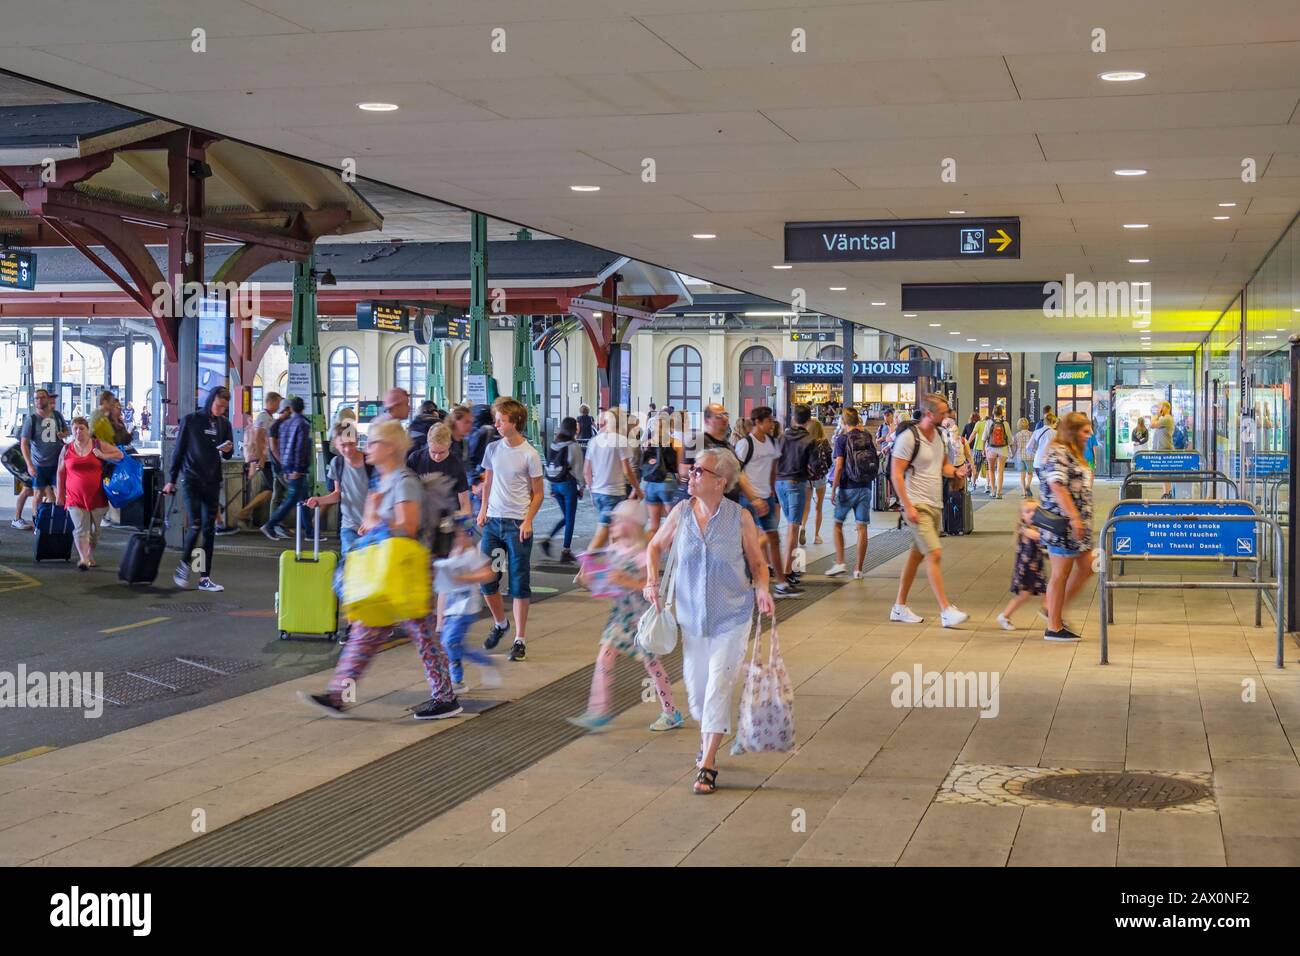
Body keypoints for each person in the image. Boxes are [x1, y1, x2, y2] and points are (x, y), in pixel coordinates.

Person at [300, 418, 462, 720]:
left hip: (407, 573)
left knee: (422, 634)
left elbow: (409, 526)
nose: (367, 447)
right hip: (388, 573)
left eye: (373, 442)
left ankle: (445, 697)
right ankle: (337, 695)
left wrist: (375, 519)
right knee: (365, 633)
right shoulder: (384, 481)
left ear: (388, 448)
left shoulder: (404, 482)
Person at [644, 448, 775, 795]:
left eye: (699, 471)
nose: (690, 474)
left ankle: (708, 764)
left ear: (720, 481)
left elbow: (757, 563)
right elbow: (654, 547)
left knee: (719, 684)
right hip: (690, 619)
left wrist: (762, 589)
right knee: (698, 692)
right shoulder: (681, 513)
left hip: (732, 615)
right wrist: (651, 582)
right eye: (692, 469)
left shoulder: (740, 517)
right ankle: (709, 737)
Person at [568, 498, 683, 733]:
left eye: (618, 521)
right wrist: (591, 579)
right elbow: (608, 582)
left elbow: (647, 585)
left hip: (640, 620)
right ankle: (598, 710)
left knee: (652, 665)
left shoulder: (642, 554)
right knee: (605, 657)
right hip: (620, 617)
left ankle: (671, 711)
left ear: (631, 524)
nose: (613, 525)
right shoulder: (614, 550)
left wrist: (624, 580)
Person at [890, 393, 970, 627]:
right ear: (929, 413)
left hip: (935, 503)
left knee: (916, 556)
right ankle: (946, 610)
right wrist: (906, 505)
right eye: (943, 412)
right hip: (917, 504)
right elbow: (896, 473)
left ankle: (899, 607)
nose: (947, 416)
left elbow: (942, 465)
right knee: (934, 553)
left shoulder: (939, 436)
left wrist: (955, 472)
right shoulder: (908, 438)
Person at [477, 396, 545, 663]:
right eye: (496, 419)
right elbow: (487, 482)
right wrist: (483, 509)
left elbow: (538, 493)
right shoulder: (493, 449)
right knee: (487, 580)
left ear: (515, 422)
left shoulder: (529, 454)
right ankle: (500, 623)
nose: (496, 424)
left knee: (519, 584)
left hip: (517, 526)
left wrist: (528, 520)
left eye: (501, 420)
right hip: (493, 523)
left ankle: (520, 639)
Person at [164, 386, 234, 592]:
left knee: (209, 530)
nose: (221, 410)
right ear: (211, 400)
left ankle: (204, 577)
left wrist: (228, 450)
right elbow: (178, 451)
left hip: (212, 481)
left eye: (224, 407)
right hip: (192, 480)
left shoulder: (224, 424)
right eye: (219, 405)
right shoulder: (191, 420)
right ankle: (184, 565)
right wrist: (172, 480)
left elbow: (227, 455)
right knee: (195, 525)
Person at [1039, 412, 1096, 642]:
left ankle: (1051, 608)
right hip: (1063, 525)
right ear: (1072, 431)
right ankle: (1053, 626)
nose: (1089, 434)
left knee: (1088, 566)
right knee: (1060, 574)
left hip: (1076, 527)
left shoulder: (1072, 452)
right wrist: (1074, 517)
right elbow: (1057, 486)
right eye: (1085, 431)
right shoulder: (1059, 453)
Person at [734, 406, 799, 598]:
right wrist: (752, 497)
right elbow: (738, 472)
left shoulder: (771, 442)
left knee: (773, 538)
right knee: (752, 541)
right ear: (758, 423)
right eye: (768, 420)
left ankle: (781, 583)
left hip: (767, 498)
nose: (772, 423)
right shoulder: (745, 444)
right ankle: (751, 581)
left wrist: (771, 492)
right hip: (749, 499)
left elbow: (773, 468)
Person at [434, 519, 502, 692]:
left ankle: (457, 680)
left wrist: (465, 579)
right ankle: (485, 662)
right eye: (457, 535)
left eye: (464, 534)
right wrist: (440, 619)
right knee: (452, 644)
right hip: (452, 607)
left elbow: (489, 574)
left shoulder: (472, 555)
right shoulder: (452, 555)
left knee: (450, 643)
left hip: (466, 608)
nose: (461, 538)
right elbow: (443, 589)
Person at [55, 416, 123, 570]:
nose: (78, 431)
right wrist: (60, 494)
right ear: (72, 431)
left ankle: (89, 554)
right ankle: (83, 558)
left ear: (88, 430)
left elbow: (120, 455)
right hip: (74, 496)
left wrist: (103, 456)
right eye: (75, 428)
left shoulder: (98, 445)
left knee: (95, 531)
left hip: (97, 496)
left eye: (81, 428)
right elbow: (60, 472)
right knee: (80, 528)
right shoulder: (66, 449)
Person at [307, 421, 372, 559]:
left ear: (357, 440)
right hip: (349, 525)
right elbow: (337, 494)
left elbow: (378, 494)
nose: (348, 449)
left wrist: (372, 520)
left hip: (371, 526)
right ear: (335, 444)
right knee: (349, 562)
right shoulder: (337, 463)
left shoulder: (370, 462)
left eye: (351, 444)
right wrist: (318, 500)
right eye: (343, 445)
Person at [828, 406, 877, 577]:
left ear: (843, 421)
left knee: (837, 524)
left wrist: (833, 489)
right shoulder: (867, 436)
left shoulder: (842, 439)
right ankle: (858, 569)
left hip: (848, 488)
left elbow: (839, 466)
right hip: (865, 487)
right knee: (862, 528)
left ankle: (841, 562)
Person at [585, 408, 641, 551]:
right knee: (601, 537)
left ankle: (612, 569)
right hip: (613, 495)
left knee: (614, 535)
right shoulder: (621, 441)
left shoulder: (594, 441)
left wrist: (592, 491)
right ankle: (583, 571)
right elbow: (627, 470)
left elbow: (587, 471)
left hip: (598, 493)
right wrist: (638, 489)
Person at [775, 404, 816, 583]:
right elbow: (814, 467)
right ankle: (787, 571)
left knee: (788, 525)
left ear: (793, 418)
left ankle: (787, 568)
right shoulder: (809, 440)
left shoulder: (782, 437)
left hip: (779, 483)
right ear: (809, 420)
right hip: (795, 482)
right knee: (793, 527)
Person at [261, 396, 311, 541]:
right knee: (290, 498)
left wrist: (287, 467)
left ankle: (309, 532)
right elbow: (299, 448)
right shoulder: (299, 424)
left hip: (287, 468)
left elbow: (283, 448)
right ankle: (271, 524)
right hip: (291, 469)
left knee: (300, 498)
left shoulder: (283, 425)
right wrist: (293, 469)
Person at [997, 498, 1049, 630]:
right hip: (1026, 570)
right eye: (1028, 511)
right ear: (1022, 515)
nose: (1031, 514)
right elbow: (1038, 538)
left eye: (1035, 511)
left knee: (1046, 592)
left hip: (1037, 568)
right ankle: (1005, 616)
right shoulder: (1025, 529)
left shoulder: (1036, 528)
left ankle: (1048, 611)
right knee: (1023, 596)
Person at [539, 416, 584, 562]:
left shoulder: (554, 443)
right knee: (570, 519)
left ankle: (547, 540)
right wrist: (581, 486)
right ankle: (566, 551)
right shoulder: (573, 446)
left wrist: (550, 486)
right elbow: (578, 468)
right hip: (568, 485)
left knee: (566, 517)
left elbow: (550, 463)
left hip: (555, 484)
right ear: (573, 429)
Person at [20, 388, 69, 506]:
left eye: (42, 397)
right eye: (37, 398)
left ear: (48, 399)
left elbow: (67, 430)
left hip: (57, 463)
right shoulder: (31, 420)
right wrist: (30, 465)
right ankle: (37, 521)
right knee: (38, 495)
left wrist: (64, 434)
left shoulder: (57, 415)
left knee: (60, 494)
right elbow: (24, 444)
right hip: (39, 465)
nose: (39, 400)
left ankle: (58, 521)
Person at [639, 411, 681, 537]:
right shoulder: (676, 442)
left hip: (651, 484)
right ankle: (673, 556)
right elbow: (679, 468)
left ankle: (646, 554)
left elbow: (645, 464)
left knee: (653, 526)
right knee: (673, 525)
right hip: (668, 482)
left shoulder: (647, 443)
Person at [800, 417, 831, 546]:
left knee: (806, 506)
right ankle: (816, 536)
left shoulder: (804, 441)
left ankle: (802, 527)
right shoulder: (824, 442)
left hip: (807, 477)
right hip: (820, 478)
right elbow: (829, 461)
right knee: (819, 507)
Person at [465, 403, 498, 515]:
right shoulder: (489, 431)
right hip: (484, 481)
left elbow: (468, 459)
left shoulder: (476, 433)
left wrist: (474, 480)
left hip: (480, 481)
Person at [984, 406, 1012, 498]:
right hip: (1003, 449)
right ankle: (999, 493)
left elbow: (984, 437)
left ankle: (992, 491)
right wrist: (1010, 448)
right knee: (1000, 471)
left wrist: (983, 449)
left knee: (991, 470)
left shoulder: (989, 422)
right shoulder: (1005, 424)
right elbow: (1010, 439)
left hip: (991, 448)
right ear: (1001, 413)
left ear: (993, 413)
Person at [1150, 401, 1175, 498]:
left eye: (1160, 407)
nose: (1158, 409)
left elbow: (1152, 425)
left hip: (1165, 450)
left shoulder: (1167, 419)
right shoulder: (1165, 418)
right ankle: (1166, 493)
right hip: (1162, 449)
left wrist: (1156, 415)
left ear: (1165, 407)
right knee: (1164, 473)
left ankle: (1167, 493)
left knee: (1166, 473)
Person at [1029, 411, 1058, 494]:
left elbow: (1028, 447)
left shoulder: (1036, 432)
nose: (1056, 425)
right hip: (1051, 463)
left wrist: (1036, 453)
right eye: (1055, 423)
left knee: (1043, 484)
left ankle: (1044, 500)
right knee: (1051, 485)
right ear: (1052, 422)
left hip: (1038, 462)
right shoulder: (1056, 433)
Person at [1012, 417, 1034, 497]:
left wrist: (1012, 455)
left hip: (1020, 456)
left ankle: (1024, 492)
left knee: (1022, 475)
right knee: (1030, 473)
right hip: (1030, 456)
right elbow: (1034, 445)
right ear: (1027, 425)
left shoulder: (1017, 435)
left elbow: (1014, 447)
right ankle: (1028, 485)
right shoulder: (1031, 434)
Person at [969, 411, 991, 492]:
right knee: (989, 469)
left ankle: (973, 484)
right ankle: (987, 486)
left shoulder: (979, 423)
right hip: (989, 450)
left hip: (978, 449)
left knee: (976, 468)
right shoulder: (990, 424)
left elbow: (973, 434)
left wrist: (967, 444)